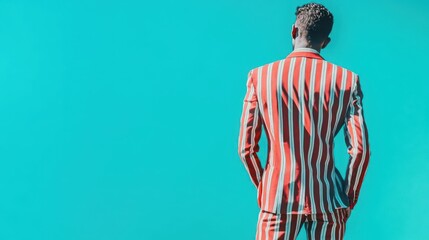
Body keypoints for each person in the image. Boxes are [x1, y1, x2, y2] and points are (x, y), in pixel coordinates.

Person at [237, 3, 371, 240]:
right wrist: (348, 197)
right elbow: (360, 151)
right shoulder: (348, 80)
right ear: (326, 42)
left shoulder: (260, 77)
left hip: (278, 199)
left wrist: (267, 188)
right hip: (329, 200)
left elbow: (246, 149)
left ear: (293, 31)